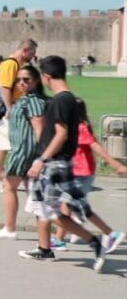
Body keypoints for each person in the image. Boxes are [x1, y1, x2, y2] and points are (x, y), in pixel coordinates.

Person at [18, 56, 107, 272]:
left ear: (46, 76)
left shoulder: (59, 100)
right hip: (60, 162)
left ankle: (96, 241)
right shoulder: (70, 99)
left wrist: (41, 159)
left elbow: (61, 134)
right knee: (46, 208)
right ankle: (45, 248)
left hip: (54, 164)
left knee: (53, 211)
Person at [51, 98, 127, 252]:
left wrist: (116, 164)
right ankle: (72, 230)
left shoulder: (80, 127)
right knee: (71, 205)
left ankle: (61, 238)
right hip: (78, 172)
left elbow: (96, 146)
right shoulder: (79, 126)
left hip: (80, 172)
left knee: (66, 205)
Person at [0, 66, 47, 239]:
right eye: (18, 80)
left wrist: (40, 158)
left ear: (36, 81)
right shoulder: (28, 99)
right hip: (25, 151)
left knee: (9, 187)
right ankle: (48, 233)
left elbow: (39, 130)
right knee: (33, 194)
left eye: (26, 79)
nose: (21, 83)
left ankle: (10, 228)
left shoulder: (32, 101)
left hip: (24, 151)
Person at [0, 39, 38, 192]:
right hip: (6, 110)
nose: (33, 56)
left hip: (11, 108)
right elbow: (4, 87)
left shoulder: (17, 64)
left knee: (9, 146)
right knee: (3, 146)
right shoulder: (10, 64)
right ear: (24, 50)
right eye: (32, 53)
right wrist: (9, 108)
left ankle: (10, 176)